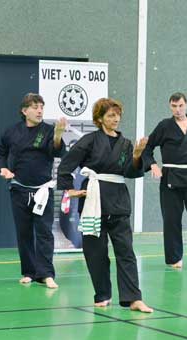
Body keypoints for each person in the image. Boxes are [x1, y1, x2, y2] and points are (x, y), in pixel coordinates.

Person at [57, 98, 153, 313]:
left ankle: (133, 298)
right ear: (99, 119)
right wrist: (68, 188)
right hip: (93, 200)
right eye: (110, 115)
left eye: (117, 114)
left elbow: (132, 172)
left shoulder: (127, 144)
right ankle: (102, 294)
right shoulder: (89, 140)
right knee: (95, 252)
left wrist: (137, 157)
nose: (116, 119)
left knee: (126, 251)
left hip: (118, 201)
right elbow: (67, 164)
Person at [0, 93, 66, 289]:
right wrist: (3, 168)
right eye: (35, 107)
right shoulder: (11, 132)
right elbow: (1, 150)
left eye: (42, 107)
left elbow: (59, 152)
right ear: (24, 111)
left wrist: (59, 134)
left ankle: (46, 274)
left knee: (44, 232)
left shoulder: (49, 130)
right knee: (24, 232)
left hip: (42, 191)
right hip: (18, 189)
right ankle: (29, 271)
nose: (39, 110)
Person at [143, 92, 187, 269]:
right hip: (169, 179)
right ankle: (174, 258)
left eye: (180, 105)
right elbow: (147, 148)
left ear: (186, 105)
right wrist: (153, 165)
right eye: (174, 106)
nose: (177, 109)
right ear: (169, 106)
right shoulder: (164, 126)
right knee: (171, 220)